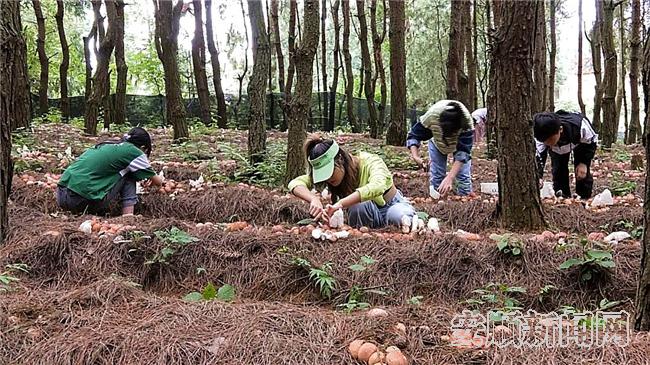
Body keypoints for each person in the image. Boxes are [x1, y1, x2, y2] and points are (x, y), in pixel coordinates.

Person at [288, 135, 416, 230]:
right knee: (358, 206)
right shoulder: (333, 178)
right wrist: (313, 199)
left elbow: (378, 185)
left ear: (340, 159)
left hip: (391, 206)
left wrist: (340, 203)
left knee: (398, 216)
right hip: (366, 214)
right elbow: (295, 183)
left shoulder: (371, 162)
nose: (328, 179)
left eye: (330, 172)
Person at [56, 127, 163, 216]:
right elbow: (158, 182)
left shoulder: (107, 144)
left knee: (122, 171)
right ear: (143, 147)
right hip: (80, 200)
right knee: (130, 174)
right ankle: (128, 215)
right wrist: (157, 179)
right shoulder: (134, 152)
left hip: (61, 195)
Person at [406, 99, 474, 196]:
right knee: (437, 176)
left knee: (463, 177)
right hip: (437, 143)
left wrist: (450, 177)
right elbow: (414, 135)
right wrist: (416, 157)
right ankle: (438, 200)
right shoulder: (432, 116)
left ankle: (465, 200)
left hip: (459, 145)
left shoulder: (467, 122)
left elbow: (463, 153)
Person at [534, 110, 598, 199]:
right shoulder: (540, 137)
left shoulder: (580, 127)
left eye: (550, 139)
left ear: (560, 129)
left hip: (580, 143)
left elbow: (591, 142)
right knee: (558, 170)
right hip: (557, 150)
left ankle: (584, 198)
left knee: (582, 172)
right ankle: (563, 198)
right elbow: (539, 157)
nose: (548, 143)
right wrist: (538, 176)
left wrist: (584, 162)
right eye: (545, 141)